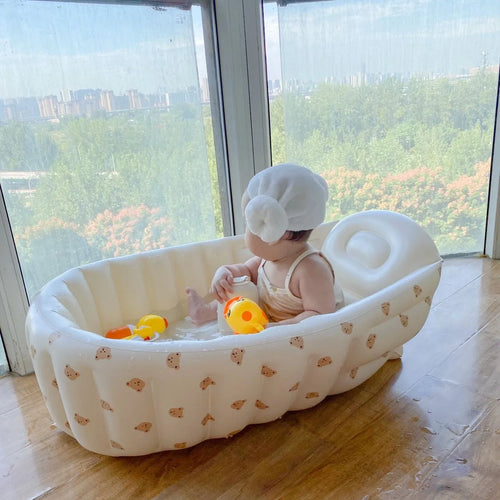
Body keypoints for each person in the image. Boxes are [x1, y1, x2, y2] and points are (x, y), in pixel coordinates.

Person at [186, 163, 343, 327]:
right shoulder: (268, 260)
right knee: (235, 288)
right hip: (263, 320)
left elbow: (319, 316)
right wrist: (224, 272)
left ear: (272, 234)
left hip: (295, 336)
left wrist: (275, 329)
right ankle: (206, 312)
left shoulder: (311, 271)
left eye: (248, 225)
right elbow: (245, 271)